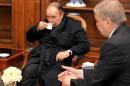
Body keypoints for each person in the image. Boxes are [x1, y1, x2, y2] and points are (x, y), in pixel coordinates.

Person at [58, 0, 130, 86]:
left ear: (107, 22)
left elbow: (96, 83)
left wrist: (70, 81)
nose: (96, 24)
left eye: (97, 21)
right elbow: (105, 72)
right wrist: (80, 73)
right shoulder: (125, 33)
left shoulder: (114, 44)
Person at [19, 2, 90, 86]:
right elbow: (29, 38)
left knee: (49, 77)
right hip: (41, 56)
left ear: (62, 14)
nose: (50, 20)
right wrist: (37, 28)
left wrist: (69, 51)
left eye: (53, 17)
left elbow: (85, 44)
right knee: (28, 71)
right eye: (48, 17)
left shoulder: (73, 25)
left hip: (59, 59)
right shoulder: (44, 23)